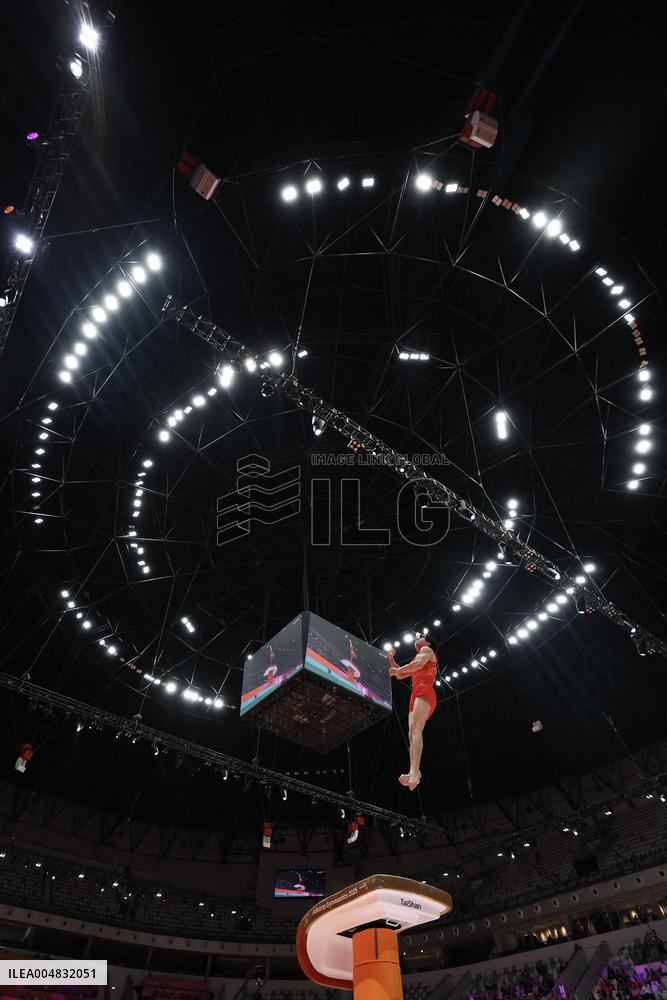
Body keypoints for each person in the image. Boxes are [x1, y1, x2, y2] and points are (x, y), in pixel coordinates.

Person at [388, 637, 438, 791]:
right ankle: (414, 771)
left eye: (420, 637)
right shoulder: (418, 655)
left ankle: (415, 772)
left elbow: (416, 665)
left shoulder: (427, 650)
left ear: (428, 643)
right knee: (411, 733)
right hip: (416, 692)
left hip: (425, 689)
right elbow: (401, 675)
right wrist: (392, 660)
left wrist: (397, 670)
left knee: (416, 729)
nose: (417, 639)